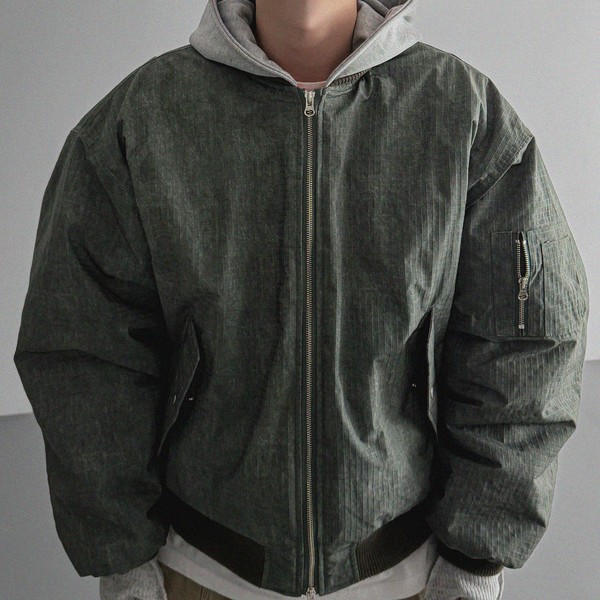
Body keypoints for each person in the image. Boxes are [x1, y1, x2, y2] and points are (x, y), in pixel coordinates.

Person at [13, 1, 589, 599]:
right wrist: (124, 560)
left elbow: (528, 345)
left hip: (408, 576)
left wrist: (475, 557)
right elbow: (84, 352)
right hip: (195, 572)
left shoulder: (462, 112)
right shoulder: (141, 120)